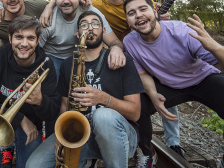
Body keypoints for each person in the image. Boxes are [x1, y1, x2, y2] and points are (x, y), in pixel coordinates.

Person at [122, 0, 224, 168]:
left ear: (155, 11)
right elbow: (142, 74)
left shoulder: (182, 31)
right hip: (168, 84)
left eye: (143, 9)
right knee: (135, 104)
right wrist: (153, 94)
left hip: (203, 78)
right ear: (128, 21)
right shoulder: (130, 42)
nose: (138, 15)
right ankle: (147, 152)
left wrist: (214, 45)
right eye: (132, 13)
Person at [26, 10, 144, 168]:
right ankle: (88, 160)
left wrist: (104, 99)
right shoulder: (69, 64)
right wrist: (60, 137)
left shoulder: (122, 60)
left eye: (95, 23)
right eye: (84, 25)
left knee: (103, 116)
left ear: (103, 31)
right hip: (80, 133)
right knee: (34, 165)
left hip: (119, 135)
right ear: (77, 33)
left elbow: (135, 113)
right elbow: (64, 106)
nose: (90, 28)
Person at [91, 0, 182, 156]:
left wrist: (162, 16)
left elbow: (155, 14)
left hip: (149, 50)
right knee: (135, 96)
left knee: (164, 88)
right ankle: (140, 142)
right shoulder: (98, 5)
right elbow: (79, 3)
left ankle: (173, 142)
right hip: (128, 54)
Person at [0, 16, 60, 168]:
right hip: (4, 119)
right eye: (19, 37)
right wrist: (21, 119)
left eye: (30, 38)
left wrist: (40, 101)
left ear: (38, 41)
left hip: (30, 128)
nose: (24, 44)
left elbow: (51, 113)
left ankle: (9, 150)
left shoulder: (46, 65)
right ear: (10, 38)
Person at [39, 0, 126, 78]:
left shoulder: (92, 13)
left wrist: (116, 49)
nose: (66, 1)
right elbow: (34, 51)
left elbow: (114, 42)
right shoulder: (48, 18)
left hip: (81, 57)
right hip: (52, 57)